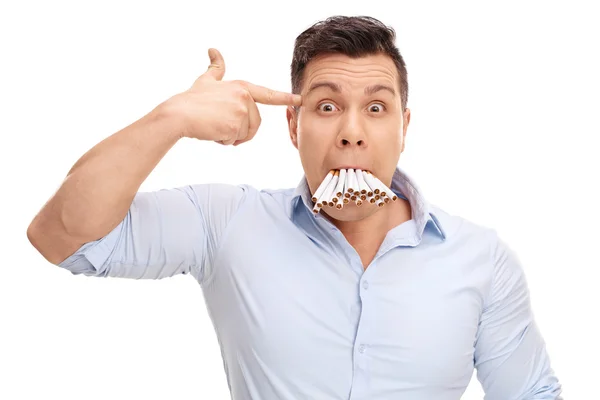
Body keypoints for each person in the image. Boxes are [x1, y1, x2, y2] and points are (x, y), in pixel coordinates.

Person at [27, 15, 562, 400]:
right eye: (326, 106)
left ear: (403, 128)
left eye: (376, 108)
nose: (352, 132)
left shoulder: (482, 260)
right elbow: (61, 236)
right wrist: (172, 119)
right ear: (293, 126)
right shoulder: (227, 223)